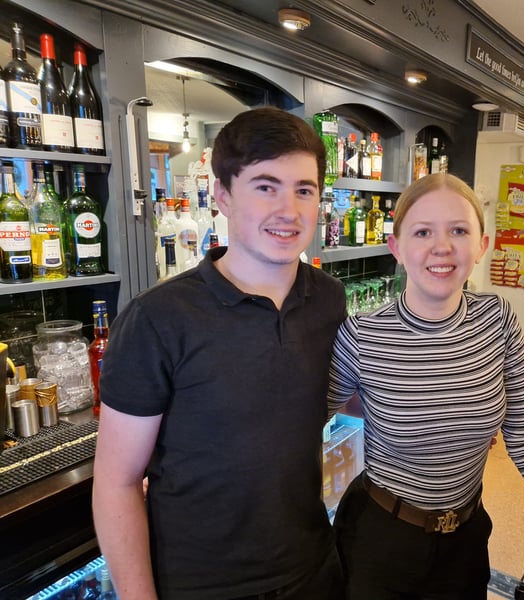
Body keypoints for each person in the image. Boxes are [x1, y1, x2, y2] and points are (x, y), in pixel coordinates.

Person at [92, 106, 347, 600]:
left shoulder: (329, 299)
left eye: (304, 190)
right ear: (224, 196)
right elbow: (117, 482)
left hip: (315, 568)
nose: (289, 210)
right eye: (265, 186)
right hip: (201, 584)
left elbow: (337, 400)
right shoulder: (158, 318)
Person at [327, 173, 524, 599]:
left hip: (466, 537)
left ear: (482, 245)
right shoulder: (364, 335)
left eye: (459, 230)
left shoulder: (498, 320)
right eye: (423, 232)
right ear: (397, 248)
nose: (442, 246)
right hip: (382, 540)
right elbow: (303, 425)